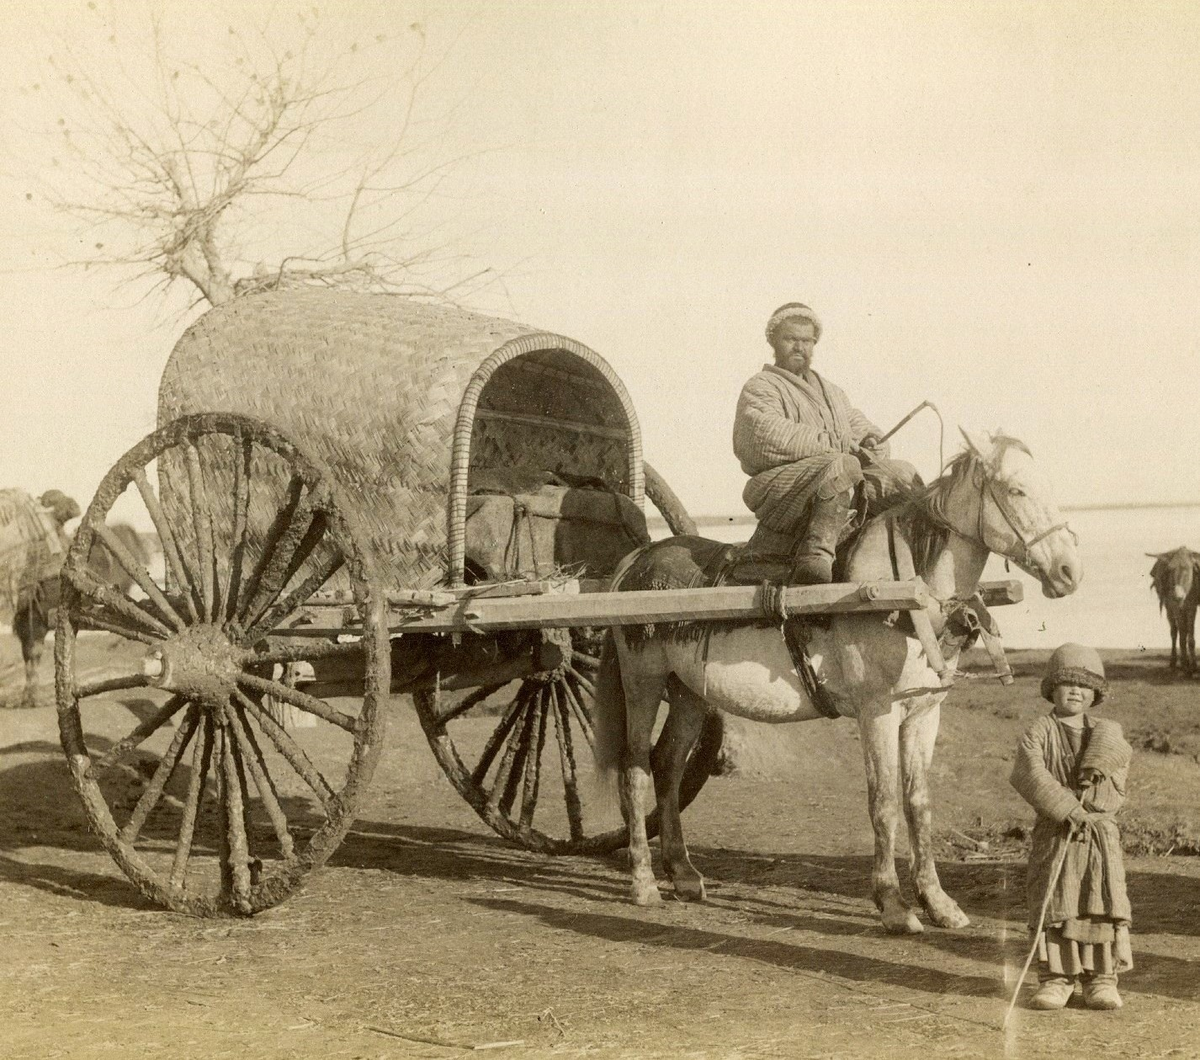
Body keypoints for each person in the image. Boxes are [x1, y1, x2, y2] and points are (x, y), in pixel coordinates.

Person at [732, 302, 921, 583]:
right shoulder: (761, 387)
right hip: (780, 488)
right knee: (841, 464)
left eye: (807, 341)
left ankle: (914, 553)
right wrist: (834, 442)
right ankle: (815, 558)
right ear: (773, 341)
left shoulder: (831, 392)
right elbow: (764, 435)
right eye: (790, 339)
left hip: (832, 478)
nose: (799, 347)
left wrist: (873, 441)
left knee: (901, 473)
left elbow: (857, 424)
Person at [1010, 643, 1132, 1011]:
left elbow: (1117, 782)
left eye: (1084, 685)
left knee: (1100, 904)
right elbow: (1029, 773)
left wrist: (1093, 801)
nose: (1075, 691)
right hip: (1056, 832)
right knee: (1057, 905)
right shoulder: (1039, 731)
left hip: (1097, 838)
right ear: (1052, 690)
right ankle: (1057, 979)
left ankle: (1101, 979)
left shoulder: (1109, 734)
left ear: (1096, 693)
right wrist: (1066, 807)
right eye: (1066, 684)